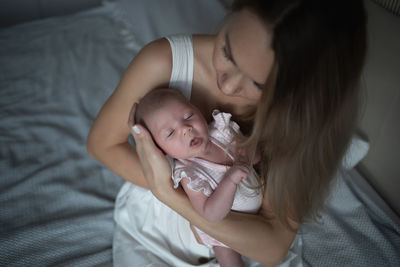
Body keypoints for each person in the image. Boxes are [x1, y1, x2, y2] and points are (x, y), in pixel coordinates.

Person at [87, 0, 367, 266]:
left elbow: (272, 248)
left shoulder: (299, 119)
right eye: (226, 52)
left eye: (258, 85)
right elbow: (102, 145)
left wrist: (170, 194)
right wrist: (177, 191)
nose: (228, 86)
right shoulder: (162, 62)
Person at [134, 88, 263, 266]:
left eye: (188, 116)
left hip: (257, 217)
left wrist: (246, 153)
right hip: (223, 227)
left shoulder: (223, 132)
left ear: (198, 111)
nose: (186, 129)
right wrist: (231, 179)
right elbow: (210, 214)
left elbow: (257, 158)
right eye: (170, 133)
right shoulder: (190, 174)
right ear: (162, 150)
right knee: (227, 255)